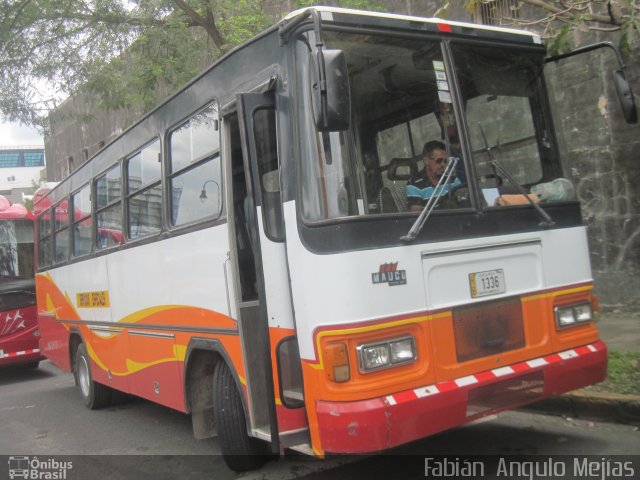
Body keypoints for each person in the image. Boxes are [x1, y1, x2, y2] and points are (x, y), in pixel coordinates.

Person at [406, 140, 461, 211]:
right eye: (439, 160)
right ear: (426, 161)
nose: (443, 165)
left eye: (445, 161)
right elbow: (416, 214)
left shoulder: (452, 180)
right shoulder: (415, 184)